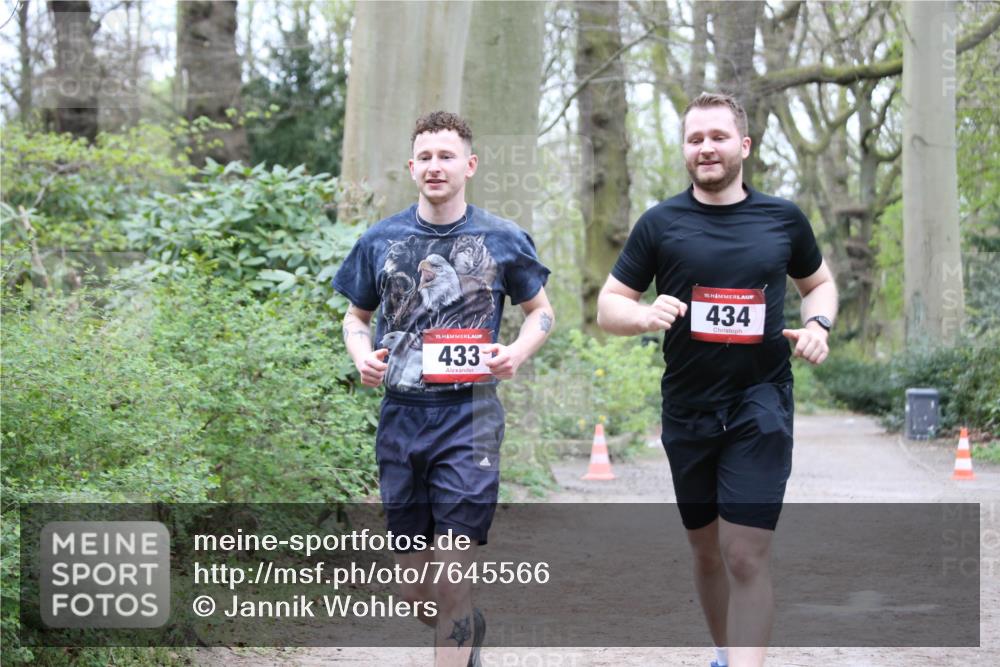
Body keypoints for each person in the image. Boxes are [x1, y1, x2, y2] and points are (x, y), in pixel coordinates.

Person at [596, 93, 838, 667]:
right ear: (685, 150)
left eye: (718, 137)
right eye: (695, 139)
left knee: (746, 554)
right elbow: (609, 306)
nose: (706, 148)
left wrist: (818, 325)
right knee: (706, 552)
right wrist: (643, 315)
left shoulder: (783, 220)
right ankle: (727, 652)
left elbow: (819, 285)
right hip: (688, 407)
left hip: (761, 402)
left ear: (744, 146)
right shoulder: (660, 224)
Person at [333, 111, 554, 667]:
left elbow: (540, 313)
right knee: (417, 592)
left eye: (447, 155)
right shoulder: (379, 240)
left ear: (469, 165)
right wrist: (362, 355)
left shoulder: (503, 239)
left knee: (453, 578)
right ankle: (463, 626)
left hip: (470, 419)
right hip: (401, 420)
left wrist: (516, 352)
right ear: (412, 168)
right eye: (426, 157)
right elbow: (356, 317)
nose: (436, 166)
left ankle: (458, 628)